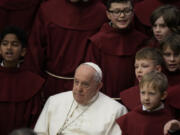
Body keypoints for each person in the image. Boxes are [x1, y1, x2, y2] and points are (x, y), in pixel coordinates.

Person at [24, 0, 107, 100]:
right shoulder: (48, 9)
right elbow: (35, 51)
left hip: (87, 87)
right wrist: (35, 86)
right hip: (51, 84)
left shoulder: (101, 12)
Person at [34, 62, 127, 135]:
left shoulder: (116, 111)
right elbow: (39, 132)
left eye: (85, 84)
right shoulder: (54, 101)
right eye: (76, 82)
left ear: (98, 86)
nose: (78, 89)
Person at [85, 0, 148, 98]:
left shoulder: (141, 40)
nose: (122, 15)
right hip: (104, 100)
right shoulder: (97, 42)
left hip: (134, 99)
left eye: (127, 11)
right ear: (108, 14)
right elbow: (91, 75)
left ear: (133, 13)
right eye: (116, 11)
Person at [0, 26, 45, 135]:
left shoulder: (32, 82)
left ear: (23, 51)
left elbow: (35, 120)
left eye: (15, 44)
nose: (9, 48)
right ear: (0, 50)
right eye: (5, 44)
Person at [117, 71, 174, 135]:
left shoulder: (169, 121)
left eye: (151, 93)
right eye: (143, 93)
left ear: (163, 95)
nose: (146, 98)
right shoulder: (128, 119)